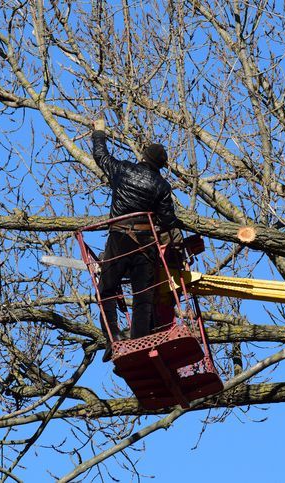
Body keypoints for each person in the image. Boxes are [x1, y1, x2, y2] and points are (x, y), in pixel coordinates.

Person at [91, 116, 182, 362]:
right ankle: (141, 344)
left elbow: (101, 156)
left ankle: (112, 340)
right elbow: (167, 220)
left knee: (107, 290)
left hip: (119, 238)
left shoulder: (123, 169)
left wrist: (99, 133)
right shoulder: (162, 186)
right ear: (161, 165)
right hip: (145, 244)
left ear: (143, 156)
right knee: (143, 295)